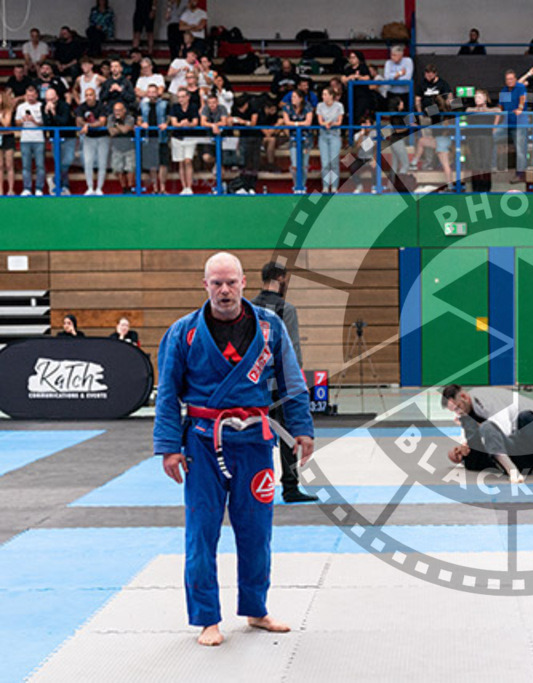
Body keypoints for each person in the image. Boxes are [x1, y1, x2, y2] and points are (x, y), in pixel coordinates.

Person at [155, 252, 314, 647]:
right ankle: (207, 619)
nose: (224, 290)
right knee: (201, 532)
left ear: (244, 283)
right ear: (205, 285)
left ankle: (256, 609)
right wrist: (169, 447)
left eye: (231, 282)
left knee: (257, 530)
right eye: (216, 283)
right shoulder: (183, 332)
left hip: (255, 442)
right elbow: (168, 394)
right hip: (202, 443)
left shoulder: (270, 326)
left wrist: (301, 429)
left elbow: (292, 381)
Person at [249, 262, 317, 504]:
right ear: (280, 279)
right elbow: (292, 353)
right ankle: (290, 487)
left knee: (255, 434)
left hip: (255, 383)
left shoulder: (249, 309)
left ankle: (253, 485)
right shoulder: (286, 309)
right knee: (289, 436)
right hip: (280, 384)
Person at [442, 384, 533, 485]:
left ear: (464, 396)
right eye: (454, 410)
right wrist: (464, 447)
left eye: (458, 407)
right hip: (514, 445)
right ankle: (512, 470)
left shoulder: (487, 402)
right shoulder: (466, 414)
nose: (458, 412)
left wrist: (479, 440)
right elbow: (470, 438)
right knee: (487, 430)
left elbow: (504, 431)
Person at [43, 87, 76, 196]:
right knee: (58, 162)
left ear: (56, 97)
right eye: (47, 100)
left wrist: (53, 113)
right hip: (55, 138)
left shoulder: (64, 106)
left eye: (52, 99)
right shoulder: (44, 107)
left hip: (69, 137)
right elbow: (47, 125)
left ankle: (54, 179)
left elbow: (64, 122)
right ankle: (64, 186)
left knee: (67, 160)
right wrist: (47, 114)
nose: (50, 102)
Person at [464, 89, 498, 192]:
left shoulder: (492, 110)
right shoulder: (470, 109)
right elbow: (468, 112)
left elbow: (498, 112)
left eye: (479, 97)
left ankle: (486, 186)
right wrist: (479, 109)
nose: (477, 99)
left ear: (485, 98)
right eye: (475, 97)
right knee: (475, 162)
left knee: (486, 161)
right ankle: (476, 186)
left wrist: (495, 126)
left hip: (486, 136)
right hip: (473, 137)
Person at [498, 69, 528, 180]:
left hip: (520, 123)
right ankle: (494, 167)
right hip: (507, 123)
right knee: (492, 136)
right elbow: (502, 107)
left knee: (520, 150)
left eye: (511, 79)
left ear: (515, 79)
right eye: (507, 79)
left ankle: (520, 174)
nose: (509, 81)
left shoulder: (520, 87)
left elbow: (522, 99)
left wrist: (520, 108)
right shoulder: (504, 91)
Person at [139, 83, 169, 195]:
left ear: (157, 93)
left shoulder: (165, 104)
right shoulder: (142, 105)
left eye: (154, 92)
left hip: (162, 137)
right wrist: (142, 123)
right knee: (152, 165)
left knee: (163, 164)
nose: (151, 94)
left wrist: (166, 124)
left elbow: (169, 117)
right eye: (149, 92)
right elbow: (139, 119)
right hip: (149, 138)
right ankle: (155, 188)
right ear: (147, 93)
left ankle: (163, 188)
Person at [169, 88, 200, 194]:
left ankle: (189, 187)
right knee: (181, 162)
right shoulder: (175, 107)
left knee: (188, 161)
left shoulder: (193, 107)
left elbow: (195, 122)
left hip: (190, 138)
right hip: (177, 138)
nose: (180, 99)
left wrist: (188, 124)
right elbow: (174, 123)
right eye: (179, 97)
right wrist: (181, 124)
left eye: (182, 97)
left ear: (188, 97)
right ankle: (184, 187)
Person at [15, 85, 45, 196]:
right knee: (26, 166)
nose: (30, 98)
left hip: (39, 139)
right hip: (25, 139)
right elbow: (16, 123)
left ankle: (39, 188)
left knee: (40, 165)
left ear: (36, 95)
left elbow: (45, 124)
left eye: (32, 95)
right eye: (28, 96)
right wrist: (22, 120)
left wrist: (34, 121)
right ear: (25, 96)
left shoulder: (41, 106)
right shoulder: (21, 107)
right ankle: (27, 188)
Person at [282, 91, 312, 193]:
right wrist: (299, 124)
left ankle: (302, 186)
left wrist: (294, 123)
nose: (292, 99)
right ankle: (296, 186)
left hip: (306, 139)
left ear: (301, 98)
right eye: (292, 97)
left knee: (304, 165)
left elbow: (308, 123)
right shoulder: (287, 107)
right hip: (293, 139)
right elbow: (287, 123)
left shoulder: (307, 106)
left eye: (295, 97)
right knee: (294, 165)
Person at [316, 88, 345, 193]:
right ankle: (325, 186)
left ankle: (334, 187)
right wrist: (325, 124)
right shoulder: (320, 106)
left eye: (325, 94)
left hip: (335, 135)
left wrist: (331, 124)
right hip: (323, 135)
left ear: (331, 96)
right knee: (325, 163)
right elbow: (320, 121)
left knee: (334, 162)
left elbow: (339, 122)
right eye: (323, 94)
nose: (323, 96)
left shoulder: (339, 106)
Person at [107, 101, 136, 194]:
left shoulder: (130, 118)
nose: (117, 113)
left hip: (129, 147)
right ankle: (124, 188)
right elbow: (111, 132)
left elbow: (125, 130)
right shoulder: (111, 118)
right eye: (115, 110)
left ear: (124, 110)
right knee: (118, 169)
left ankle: (130, 187)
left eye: (119, 110)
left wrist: (116, 126)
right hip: (117, 147)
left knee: (130, 169)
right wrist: (121, 127)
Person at [341, 51, 373, 126]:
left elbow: (368, 78)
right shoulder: (348, 69)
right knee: (350, 113)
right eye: (350, 58)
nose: (352, 59)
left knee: (359, 113)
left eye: (354, 57)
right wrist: (350, 77)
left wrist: (359, 77)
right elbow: (343, 79)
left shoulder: (363, 67)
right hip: (350, 94)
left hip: (362, 95)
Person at [0, 92, 14, 196]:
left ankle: (10, 190)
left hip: (7, 137)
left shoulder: (8, 110)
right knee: (0, 165)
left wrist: (0, 117)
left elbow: (6, 124)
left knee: (9, 165)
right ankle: (0, 190)